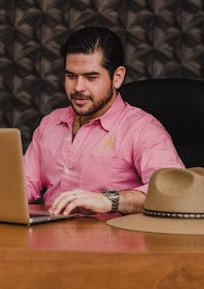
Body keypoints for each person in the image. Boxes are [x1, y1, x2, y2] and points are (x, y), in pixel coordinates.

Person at [23, 27, 185, 216]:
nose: (78, 87)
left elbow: (175, 193)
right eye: (71, 76)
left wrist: (109, 200)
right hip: (48, 240)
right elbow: (26, 181)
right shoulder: (50, 124)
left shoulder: (142, 129)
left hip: (113, 242)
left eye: (91, 77)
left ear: (117, 78)